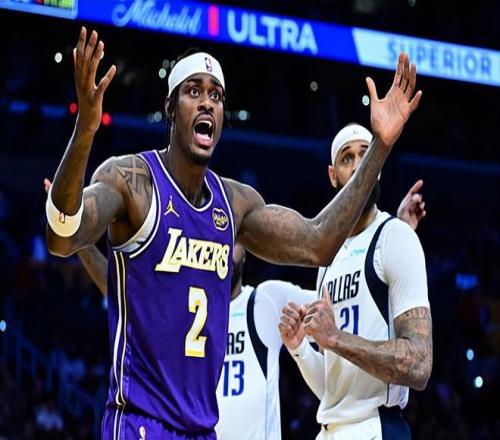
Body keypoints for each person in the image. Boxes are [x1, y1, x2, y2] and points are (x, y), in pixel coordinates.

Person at [45, 26, 422, 439]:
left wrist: (380, 146)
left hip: (203, 430)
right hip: (141, 421)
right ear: (171, 108)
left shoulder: (236, 204)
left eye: (216, 95)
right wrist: (85, 129)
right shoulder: (131, 180)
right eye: (194, 91)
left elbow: (318, 244)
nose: (207, 101)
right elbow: (62, 237)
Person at [44, 174, 426, 440]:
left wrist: (390, 236)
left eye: (235, 236)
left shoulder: (267, 299)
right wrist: (80, 243)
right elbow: (123, 293)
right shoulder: (182, 301)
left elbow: (347, 296)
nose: (227, 244)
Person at [279, 123, 432, 439]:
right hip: (332, 429)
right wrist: (299, 348)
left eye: (366, 155)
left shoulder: (395, 236)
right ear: (332, 175)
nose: (358, 165)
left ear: (377, 167)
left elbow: (419, 365)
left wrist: (335, 338)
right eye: (347, 158)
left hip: (375, 425)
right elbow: (333, 391)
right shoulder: (327, 258)